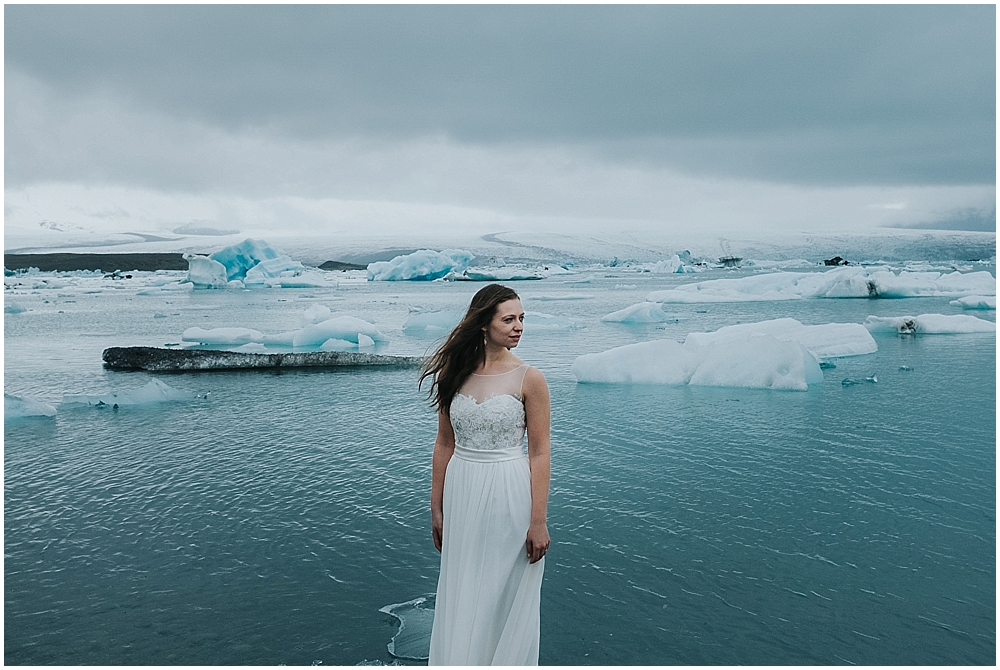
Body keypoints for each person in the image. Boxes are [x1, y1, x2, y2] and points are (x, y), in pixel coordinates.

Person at [420, 283, 551, 666]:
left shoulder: (531, 378)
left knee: (504, 587)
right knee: (463, 584)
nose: (519, 327)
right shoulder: (454, 372)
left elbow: (540, 453)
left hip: (509, 489)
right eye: (508, 319)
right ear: (483, 324)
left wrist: (538, 520)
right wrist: (437, 506)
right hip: (462, 489)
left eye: (522, 318)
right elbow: (444, 443)